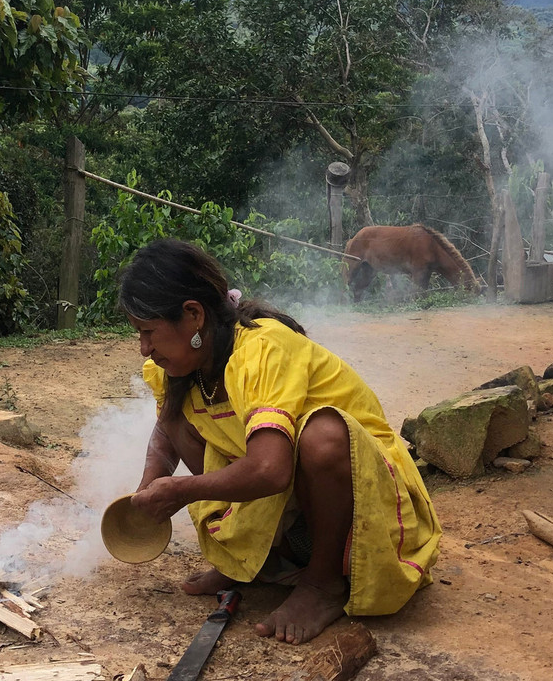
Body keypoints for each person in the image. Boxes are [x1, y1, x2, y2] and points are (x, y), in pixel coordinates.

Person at [120, 238, 441, 645]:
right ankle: (251, 562)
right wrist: (150, 482)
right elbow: (167, 428)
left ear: (193, 315)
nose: (144, 348)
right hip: (297, 502)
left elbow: (270, 471)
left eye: (149, 332)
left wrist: (182, 491)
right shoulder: (185, 365)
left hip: (369, 502)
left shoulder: (260, 347)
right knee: (186, 421)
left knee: (321, 436)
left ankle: (323, 583)